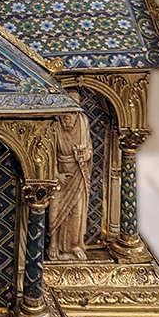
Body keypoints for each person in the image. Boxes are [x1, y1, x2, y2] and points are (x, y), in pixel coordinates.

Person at [48, 93, 93, 260]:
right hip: (60, 175)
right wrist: (55, 174)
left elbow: (89, 148)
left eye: (71, 114)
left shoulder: (83, 122)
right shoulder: (54, 125)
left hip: (78, 174)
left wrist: (86, 154)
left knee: (76, 211)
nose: (68, 119)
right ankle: (53, 243)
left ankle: (74, 245)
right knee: (55, 210)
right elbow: (49, 152)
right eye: (65, 115)